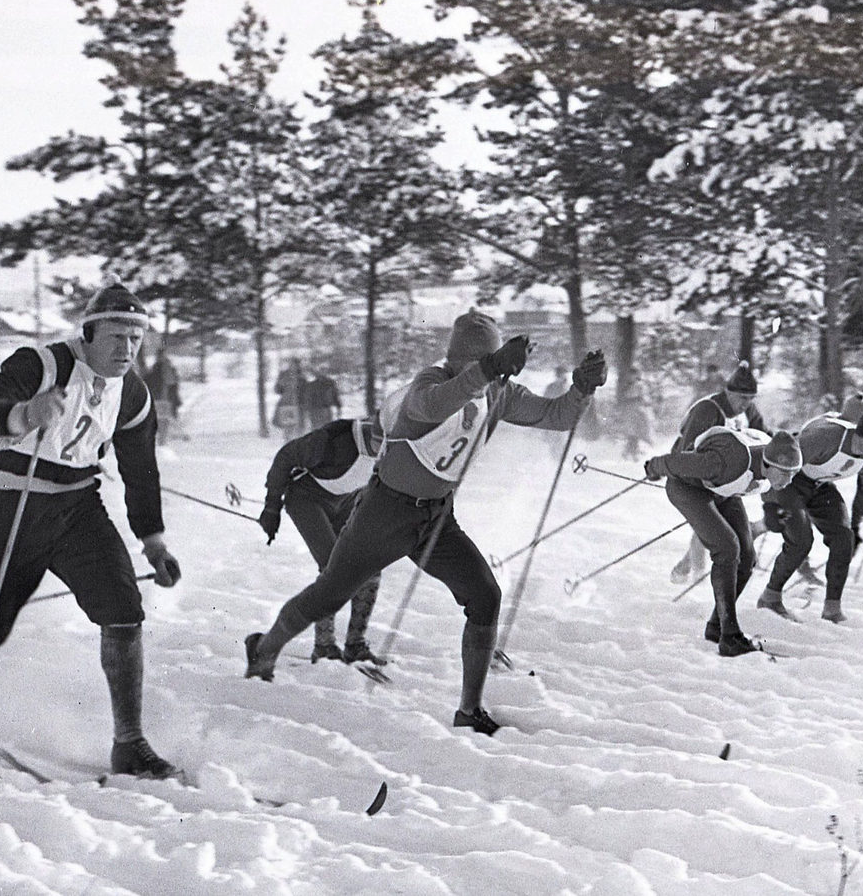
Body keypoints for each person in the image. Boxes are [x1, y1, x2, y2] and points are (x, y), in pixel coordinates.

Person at [242, 309, 606, 735]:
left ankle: (469, 709)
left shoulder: (499, 393)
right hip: (384, 512)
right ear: (455, 360)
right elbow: (434, 405)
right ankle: (264, 650)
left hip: (435, 517)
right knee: (330, 594)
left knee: (484, 595)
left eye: (488, 362)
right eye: (474, 364)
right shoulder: (430, 384)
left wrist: (582, 388)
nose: (481, 373)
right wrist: (487, 368)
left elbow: (556, 417)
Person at [0, 282, 184, 779]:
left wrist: (154, 543)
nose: (126, 349)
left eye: (136, 339)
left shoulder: (133, 394)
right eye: (116, 336)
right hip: (9, 505)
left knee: (123, 613)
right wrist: (21, 413)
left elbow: (141, 471)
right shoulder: (44, 366)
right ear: (89, 334)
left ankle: (130, 743)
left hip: (77, 508)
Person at [643, 428, 803, 656]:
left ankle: (716, 626)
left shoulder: (770, 466)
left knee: (747, 558)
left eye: (793, 474)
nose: (788, 481)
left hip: (724, 491)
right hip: (688, 488)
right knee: (727, 549)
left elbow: (767, 490)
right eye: (784, 474)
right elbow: (676, 462)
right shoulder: (730, 461)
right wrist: (653, 467)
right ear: (767, 464)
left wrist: (774, 513)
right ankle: (730, 636)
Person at [258, 415, 385, 663]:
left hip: (346, 501)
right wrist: (271, 508)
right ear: (372, 432)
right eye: (380, 442)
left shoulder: (396, 449)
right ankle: (324, 645)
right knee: (334, 567)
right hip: (307, 499)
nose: (384, 450)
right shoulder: (334, 442)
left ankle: (355, 645)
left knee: (370, 567)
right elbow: (285, 457)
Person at [757, 402, 863, 624]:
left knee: (843, 538)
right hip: (790, 482)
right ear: (860, 434)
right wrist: (769, 504)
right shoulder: (827, 437)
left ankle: (832, 610)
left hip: (819, 486)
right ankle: (770, 597)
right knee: (801, 540)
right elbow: (775, 464)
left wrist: (856, 523)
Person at [667, 362, 771, 584]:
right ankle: (695, 575)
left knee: (715, 529)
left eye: (751, 398)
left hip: (723, 480)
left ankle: (686, 567)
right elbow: (687, 449)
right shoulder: (708, 410)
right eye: (742, 398)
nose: (747, 404)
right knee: (708, 526)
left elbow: (762, 436)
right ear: (728, 392)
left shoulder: (746, 412)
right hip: (694, 478)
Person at [141, 350, 182, 443]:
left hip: (162, 397)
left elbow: (173, 384)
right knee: (162, 418)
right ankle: (161, 439)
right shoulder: (164, 368)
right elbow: (174, 384)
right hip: (162, 397)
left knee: (160, 418)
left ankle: (161, 438)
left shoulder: (158, 369)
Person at [273, 359, 307, 437]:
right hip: (287, 405)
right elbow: (277, 390)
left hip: (299, 405)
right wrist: (280, 384)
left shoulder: (302, 377)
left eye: (296, 365)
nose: (294, 367)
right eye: (292, 364)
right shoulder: (283, 375)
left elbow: (306, 392)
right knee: (288, 429)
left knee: (300, 430)